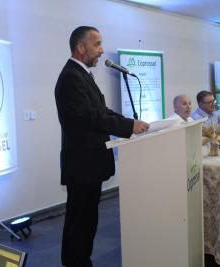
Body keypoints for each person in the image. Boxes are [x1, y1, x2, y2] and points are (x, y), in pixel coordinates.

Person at [54, 26, 149, 267]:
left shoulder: (82, 75)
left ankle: (77, 259)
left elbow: (101, 111)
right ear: (80, 47)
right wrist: (128, 127)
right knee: (81, 220)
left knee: (84, 219)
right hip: (82, 164)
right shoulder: (70, 78)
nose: (101, 50)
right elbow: (90, 117)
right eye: (96, 44)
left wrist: (130, 123)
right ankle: (76, 261)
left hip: (89, 163)